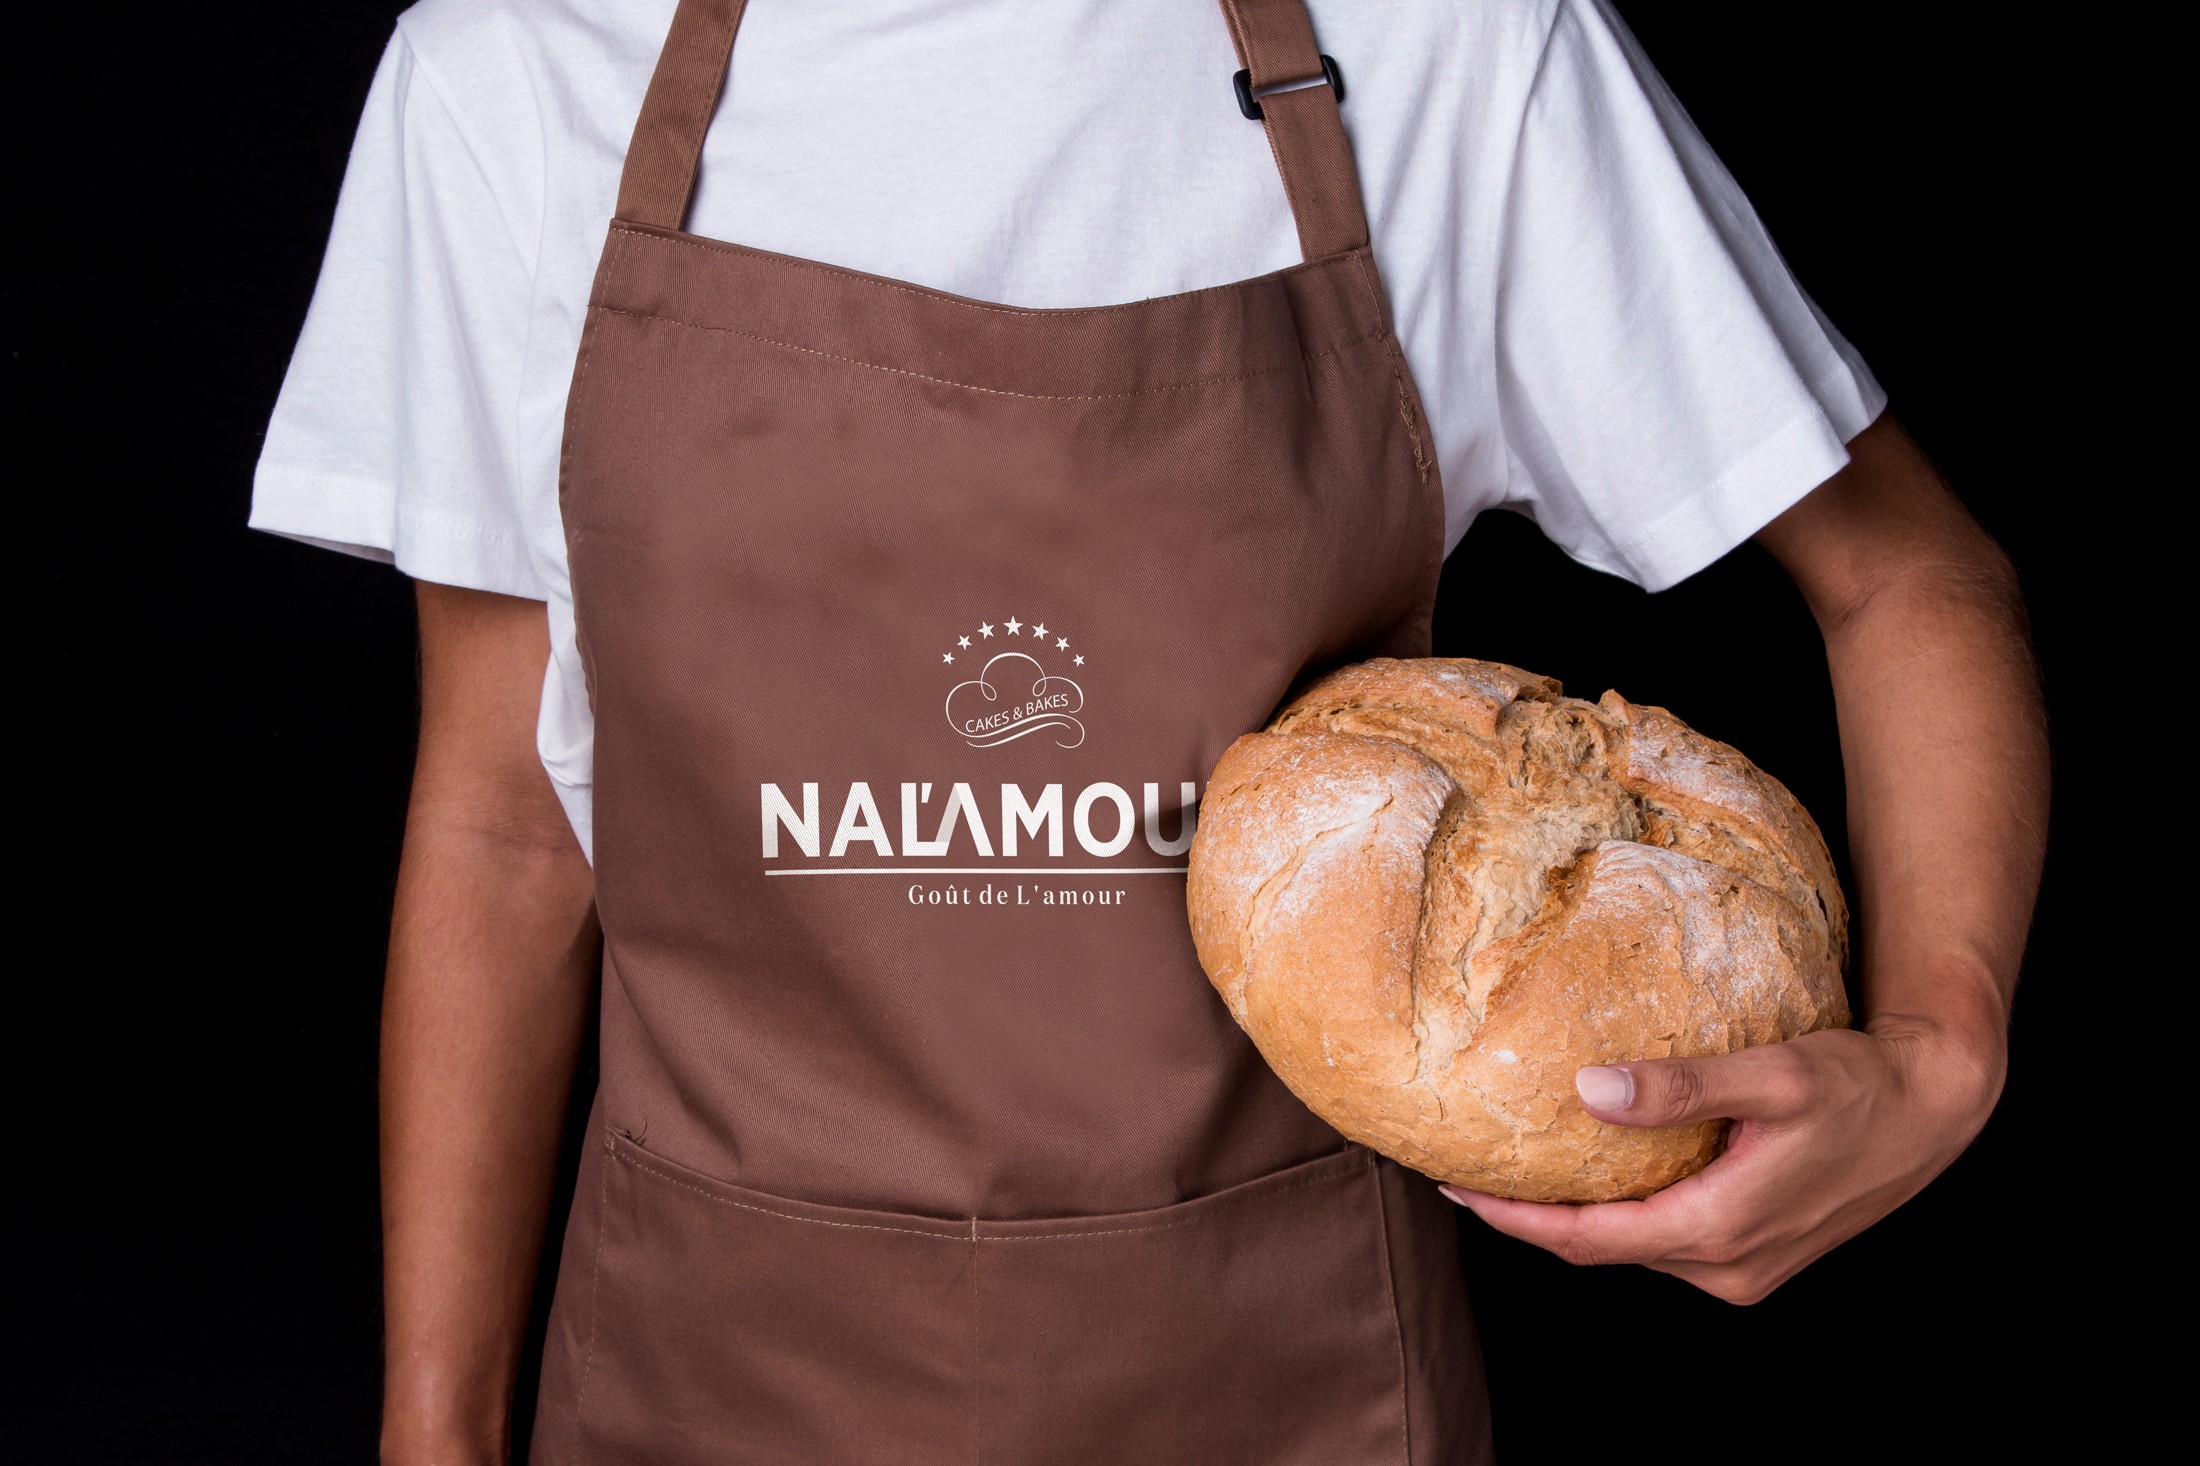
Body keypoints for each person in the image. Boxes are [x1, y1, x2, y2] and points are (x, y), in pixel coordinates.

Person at [252, 0, 2048, 1461]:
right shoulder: (513, 77)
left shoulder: (1447, 50)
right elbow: (503, 824)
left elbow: (1907, 579)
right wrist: (435, 1432)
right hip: (700, 1388)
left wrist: (1942, 1055)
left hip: (1307, 1394)